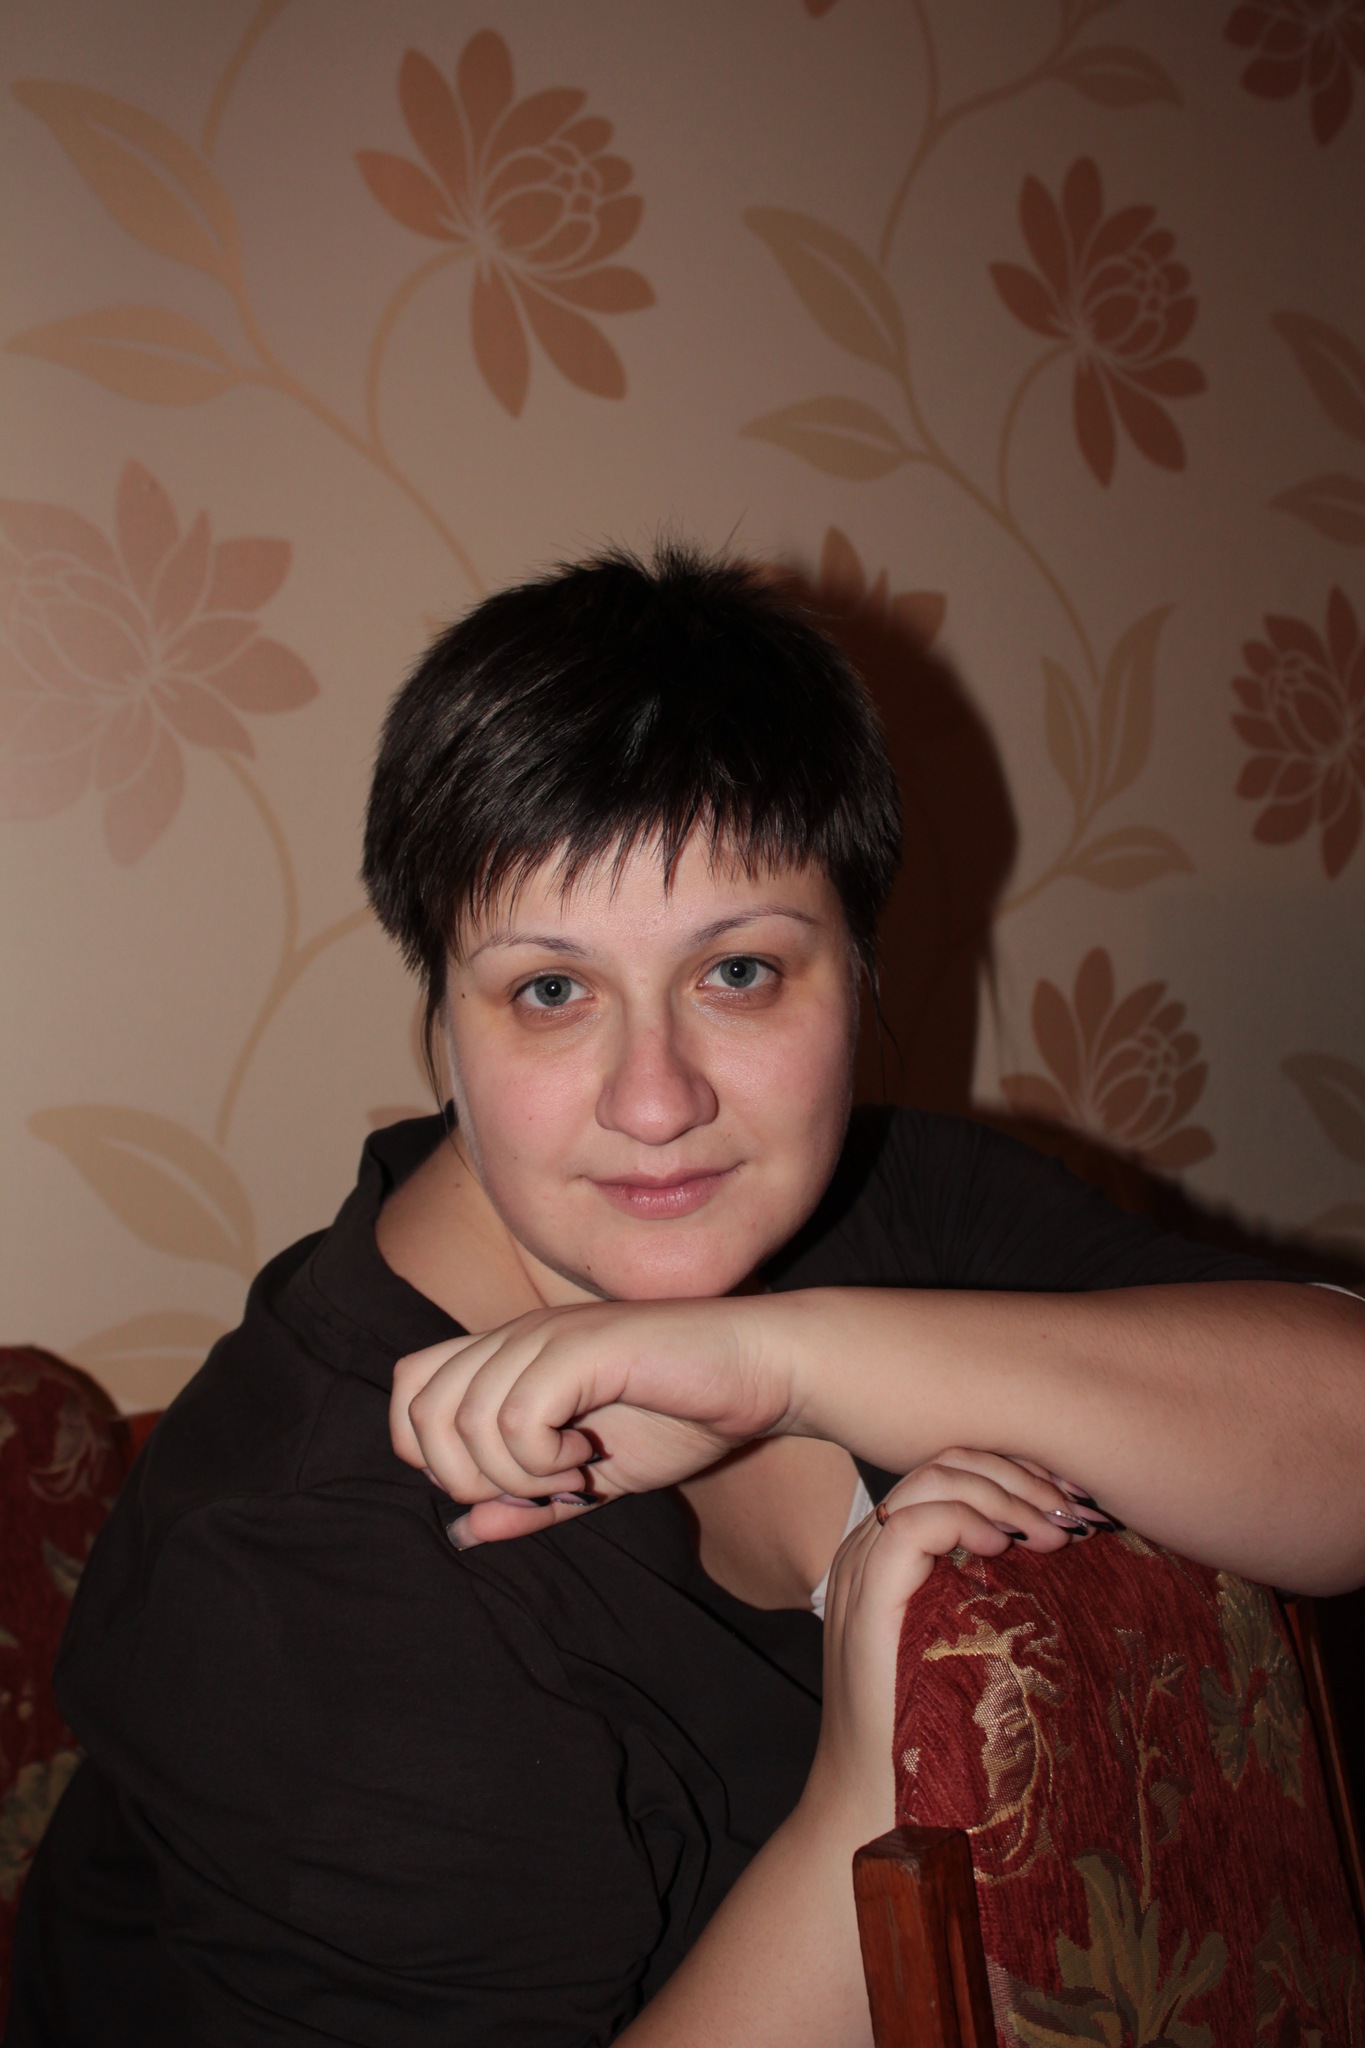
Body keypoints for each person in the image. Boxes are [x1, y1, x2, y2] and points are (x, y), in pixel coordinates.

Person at [10, 545, 1363, 2047]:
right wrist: (864, 1810)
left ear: (858, 971)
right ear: (439, 1023)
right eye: (550, 990)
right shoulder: (311, 1563)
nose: (655, 1102)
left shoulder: (896, 1205)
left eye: (739, 973)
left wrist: (787, 1361)